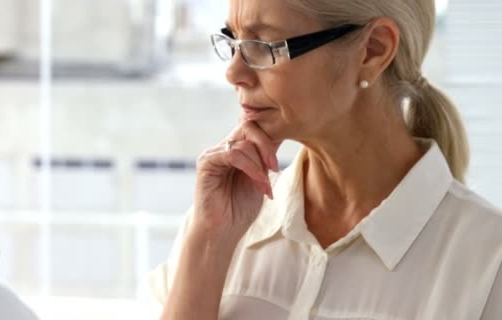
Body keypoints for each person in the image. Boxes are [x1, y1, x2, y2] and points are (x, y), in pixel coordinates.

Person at [150, 0, 502, 319]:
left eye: (263, 45)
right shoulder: (219, 224)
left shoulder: (488, 265)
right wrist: (208, 244)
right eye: (233, 39)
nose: (233, 73)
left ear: (374, 51)